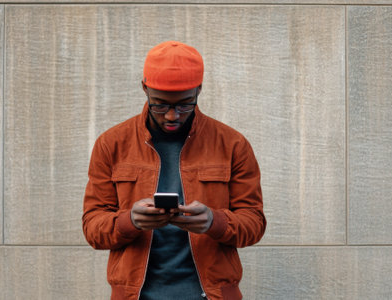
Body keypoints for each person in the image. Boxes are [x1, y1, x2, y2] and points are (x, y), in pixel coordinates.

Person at [82, 41, 266, 300]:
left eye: (184, 104)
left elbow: (254, 224)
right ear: (144, 88)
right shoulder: (112, 144)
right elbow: (93, 228)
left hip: (212, 296)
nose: (171, 115)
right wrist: (129, 222)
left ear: (199, 90)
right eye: (159, 104)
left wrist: (215, 222)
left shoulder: (232, 144)